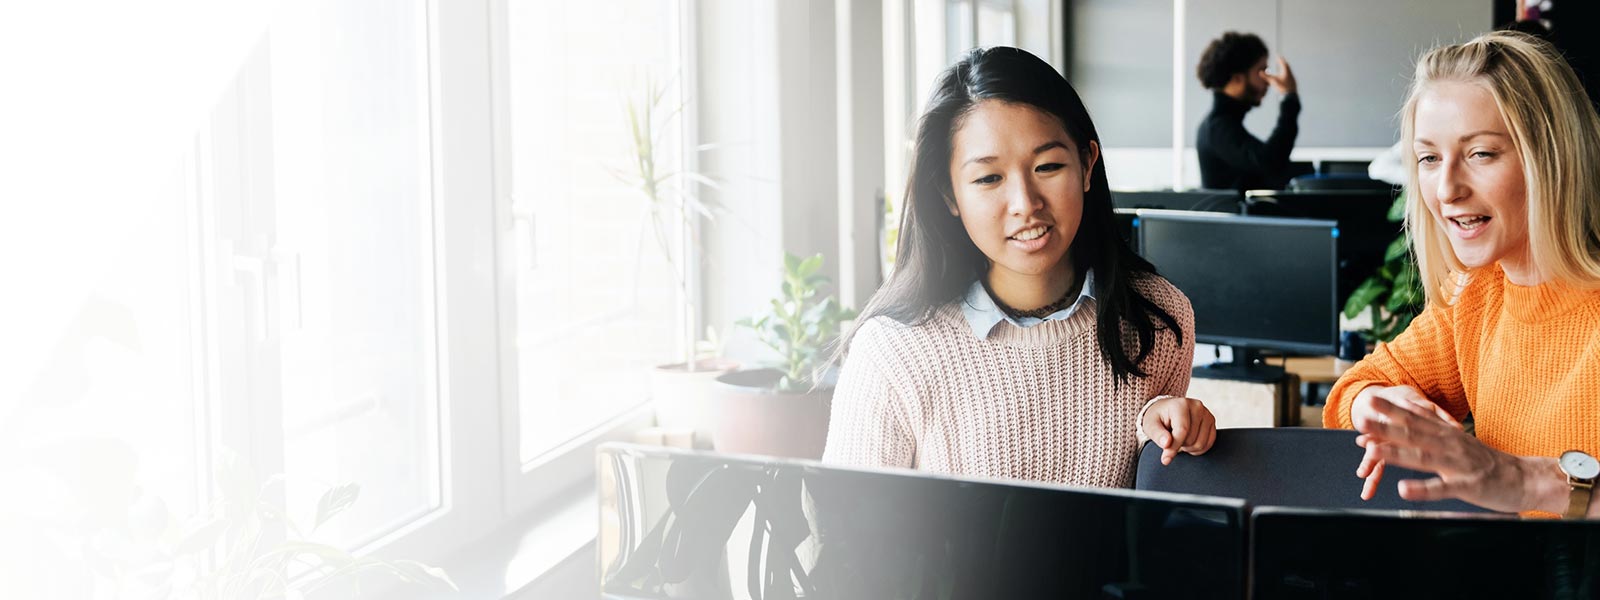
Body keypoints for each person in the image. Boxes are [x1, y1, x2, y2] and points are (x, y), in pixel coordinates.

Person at [822, 46, 1215, 488]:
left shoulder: (1156, 319)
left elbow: (1145, 504)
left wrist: (1172, 430)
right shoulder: (894, 351)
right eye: (989, 178)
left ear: (1087, 165)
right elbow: (848, 534)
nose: (1026, 204)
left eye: (1047, 166)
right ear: (949, 195)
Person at [1323, 31, 1600, 518]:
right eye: (1429, 158)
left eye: (1481, 154)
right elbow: (1354, 389)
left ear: (1552, 158)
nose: (1447, 189)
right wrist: (1381, 405)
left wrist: (1529, 483)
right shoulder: (1474, 292)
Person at [1195, 32, 1301, 191]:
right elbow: (1270, 162)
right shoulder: (1218, 127)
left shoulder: (1220, 123)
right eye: (1262, 70)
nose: (1268, 80)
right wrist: (1289, 98)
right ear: (1237, 78)